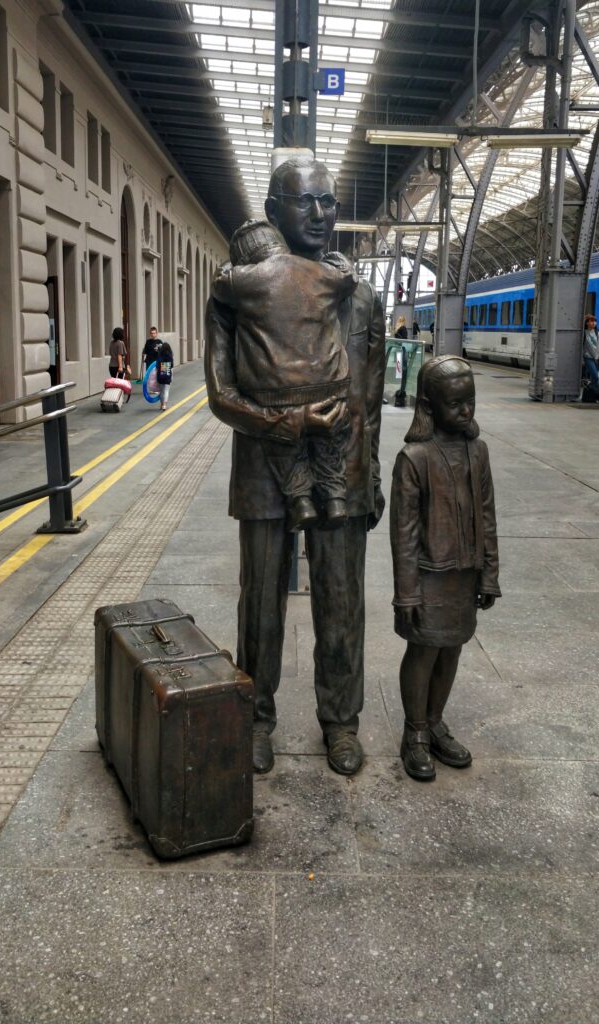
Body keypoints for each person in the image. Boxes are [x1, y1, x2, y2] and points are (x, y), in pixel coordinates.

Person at [205, 155, 386, 777]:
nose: (321, 214)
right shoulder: (236, 290)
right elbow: (220, 394)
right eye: (305, 202)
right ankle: (256, 716)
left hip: (347, 462)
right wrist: (286, 423)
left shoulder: (360, 295)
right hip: (264, 461)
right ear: (273, 211)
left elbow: (372, 393)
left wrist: (375, 472)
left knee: (342, 597)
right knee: (261, 599)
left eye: (329, 201)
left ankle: (342, 721)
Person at [390, 356, 500, 782]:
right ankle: (414, 732)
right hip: (427, 574)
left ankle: (435, 722)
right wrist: (407, 592)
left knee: (452, 646)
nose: (466, 412)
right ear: (430, 407)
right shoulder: (414, 458)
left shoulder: (479, 451)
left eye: (470, 402)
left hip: (464, 573)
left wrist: (489, 572)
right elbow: (403, 534)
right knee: (423, 651)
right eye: (456, 404)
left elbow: (488, 515)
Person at [211, 218, 357, 531]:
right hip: (330, 385)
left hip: (276, 393)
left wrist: (228, 268)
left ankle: (300, 499)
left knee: (285, 452)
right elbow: (348, 276)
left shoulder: (243, 280)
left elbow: (220, 284)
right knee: (333, 436)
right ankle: (334, 496)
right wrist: (337, 259)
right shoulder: (322, 273)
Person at [582, 314, 599, 400]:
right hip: (588, 357)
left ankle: (593, 395)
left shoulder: (597, 332)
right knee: (595, 376)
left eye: (594, 321)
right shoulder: (584, 333)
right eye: (591, 321)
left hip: (597, 358)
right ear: (587, 323)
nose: (593, 323)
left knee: (595, 378)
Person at [157, 341, 174, 411]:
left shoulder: (160, 356)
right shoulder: (170, 356)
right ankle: (164, 405)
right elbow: (172, 365)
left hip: (160, 374)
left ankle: (161, 404)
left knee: (161, 391)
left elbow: (157, 365)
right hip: (167, 373)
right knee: (166, 390)